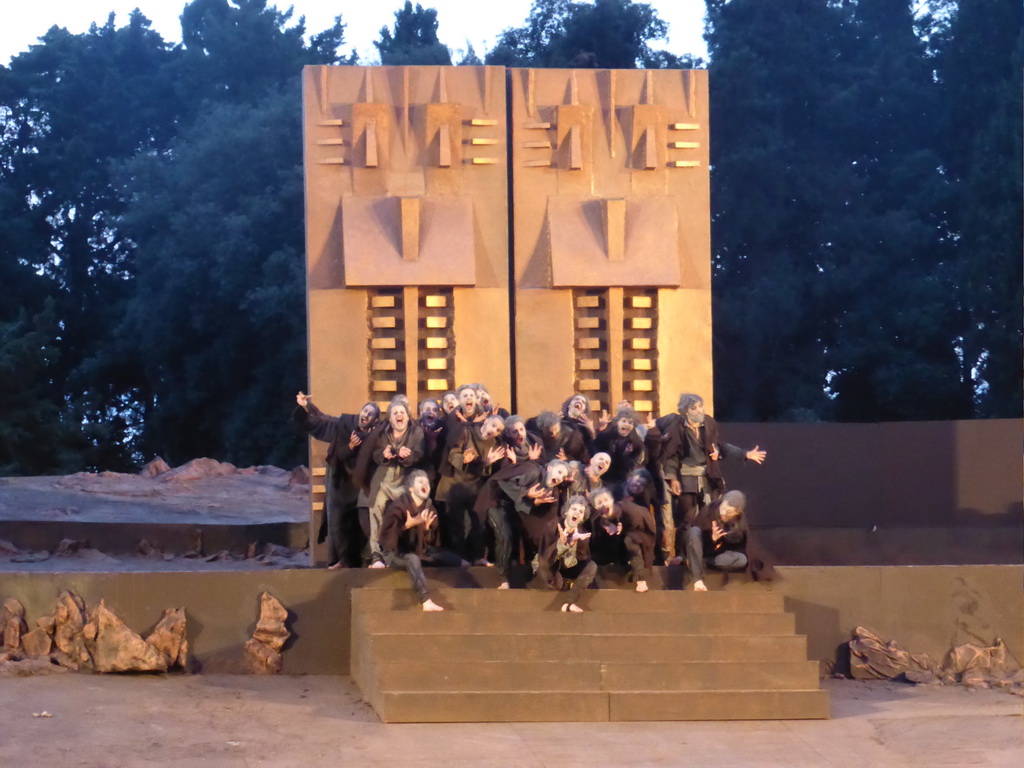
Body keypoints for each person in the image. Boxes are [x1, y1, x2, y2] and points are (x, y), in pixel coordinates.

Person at [648, 393, 766, 563]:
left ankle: (707, 552)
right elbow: (671, 455)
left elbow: (719, 446)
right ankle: (683, 555)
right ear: (685, 411)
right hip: (686, 480)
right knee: (686, 520)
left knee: (710, 516)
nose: (699, 410)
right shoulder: (677, 426)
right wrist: (673, 478)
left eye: (700, 406)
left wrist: (745, 454)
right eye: (694, 407)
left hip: (707, 479)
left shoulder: (709, 423)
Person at [293, 392, 380, 568]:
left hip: (361, 483)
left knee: (362, 522)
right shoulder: (344, 424)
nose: (366, 415)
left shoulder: (375, 436)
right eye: (365, 411)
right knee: (338, 522)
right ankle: (341, 560)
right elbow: (322, 420)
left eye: (371, 414)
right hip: (340, 481)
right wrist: (305, 407)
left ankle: (365, 559)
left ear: (375, 420)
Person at [475, 458, 571, 589]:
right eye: (559, 472)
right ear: (549, 468)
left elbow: (523, 506)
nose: (560, 477)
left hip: (510, 506)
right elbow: (504, 482)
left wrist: (535, 502)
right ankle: (502, 579)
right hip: (495, 499)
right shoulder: (533, 471)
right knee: (504, 535)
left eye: (563, 476)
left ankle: (510, 574)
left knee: (515, 536)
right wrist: (526, 492)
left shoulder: (549, 489)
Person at [353, 396, 425, 568]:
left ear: (407, 416)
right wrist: (383, 455)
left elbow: (421, 453)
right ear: (390, 419)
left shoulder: (416, 432)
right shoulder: (381, 432)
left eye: (402, 412)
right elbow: (373, 454)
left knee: (404, 514)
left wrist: (409, 456)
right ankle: (376, 554)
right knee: (375, 511)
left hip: (405, 480)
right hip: (383, 479)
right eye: (395, 413)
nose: (399, 415)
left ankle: (399, 552)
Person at [379, 470, 466, 611]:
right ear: (411, 488)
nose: (425, 484)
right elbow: (388, 539)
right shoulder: (397, 506)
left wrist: (425, 529)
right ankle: (425, 600)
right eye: (420, 482)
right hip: (396, 554)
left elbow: (429, 543)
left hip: (419, 550)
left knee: (450, 558)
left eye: (426, 482)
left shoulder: (430, 508)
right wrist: (408, 525)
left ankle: (467, 566)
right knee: (412, 559)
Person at [435, 413, 506, 563]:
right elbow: (453, 456)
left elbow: (488, 471)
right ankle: (458, 560)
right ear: (485, 422)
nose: (494, 431)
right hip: (453, 485)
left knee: (477, 523)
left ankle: (477, 557)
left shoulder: (495, 444)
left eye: (498, 430)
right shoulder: (466, 431)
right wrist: (465, 459)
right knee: (456, 525)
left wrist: (487, 463)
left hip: (473, 488)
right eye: (493, 425)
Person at [684, 489, 774, 590]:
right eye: (723, 507)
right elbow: (692, 540)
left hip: (716, 555)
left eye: (729, 512)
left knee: (741, 559)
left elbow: (742, 546)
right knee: (694, 531)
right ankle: (697, 578)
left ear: (737, 512)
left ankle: (701, 562)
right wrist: (712, 539)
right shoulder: (709, 510)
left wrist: (721, 539)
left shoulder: (739, 523)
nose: (723, 513)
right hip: (702, 549)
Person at [535, 495, 598, 612]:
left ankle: (569, 602)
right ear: (566, 512)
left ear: (582, 518)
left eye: (581, 511)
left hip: (569, 569)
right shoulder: (552, 527)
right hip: (552, 569)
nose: (577, 513)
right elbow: (544, 555)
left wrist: (573, 543)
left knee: (592, 566)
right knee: (539, 562)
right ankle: (559, 584)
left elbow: (582, 561)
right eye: (574, 509)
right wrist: (561, 544)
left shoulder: (582, 535)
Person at [593, 407, 646, 488]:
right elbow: (595, 449)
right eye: (624, 421)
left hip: (622, 478)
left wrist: (626, 456)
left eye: (630, 422)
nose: (626, 424)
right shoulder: (606, 435)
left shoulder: (636, 442)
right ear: (617, 422)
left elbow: (634, 464)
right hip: (603, 475)